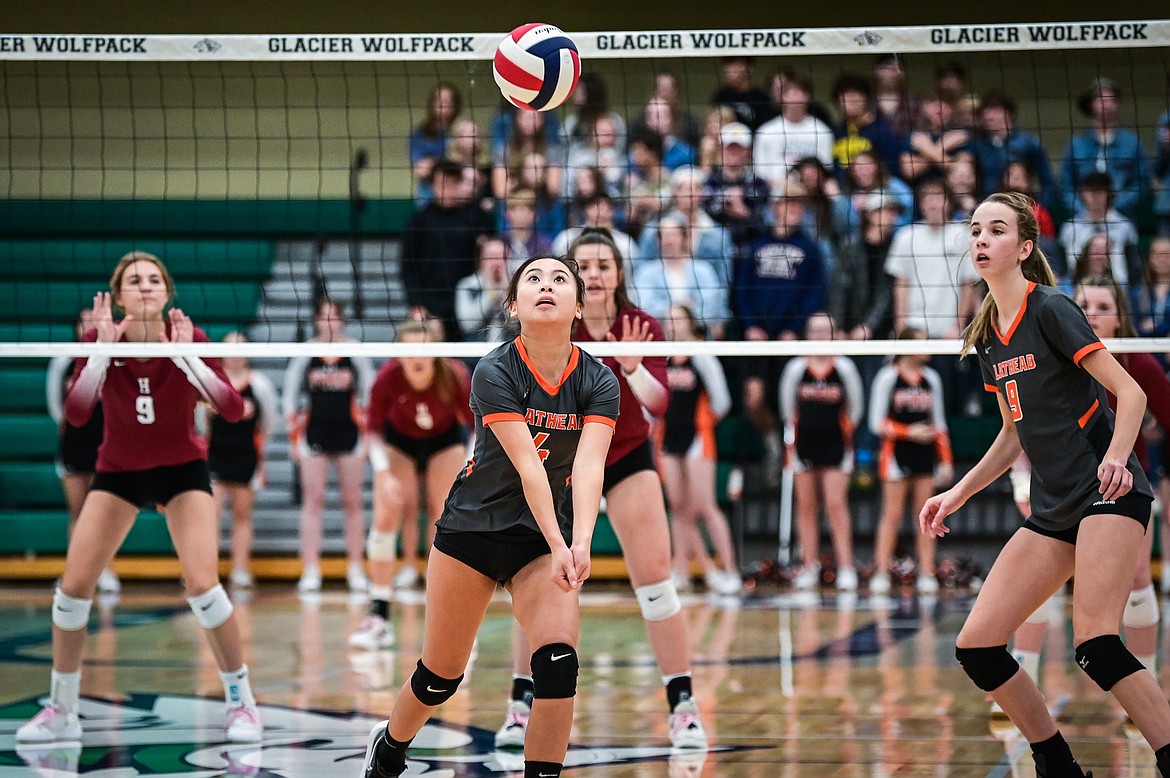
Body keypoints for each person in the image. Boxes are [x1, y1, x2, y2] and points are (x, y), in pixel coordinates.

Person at [920, 191, 1170, 777]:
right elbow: (1014, 434)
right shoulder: (986, 333)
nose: (981, 239)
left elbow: (1130, 394)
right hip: (1055, 506)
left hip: (1109, 493)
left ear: (1024, 248)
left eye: (996, 230)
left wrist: (1114, 458)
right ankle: (1058, 765)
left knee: (1096, 646)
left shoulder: (1052, 308)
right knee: (977, 647)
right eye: (976, 230)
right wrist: (957, 492)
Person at [360, 254, 620, 778]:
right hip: (472, 532)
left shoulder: (599, 379)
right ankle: (388, 751)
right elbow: (529, 466)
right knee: (440, 676)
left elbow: (590, 467)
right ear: (514, 304)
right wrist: (562, 538)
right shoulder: (495, 370)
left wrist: (581, 541)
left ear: (578, 303)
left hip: (541, 544)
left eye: (559, 279)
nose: (546, 286)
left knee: (557, 665)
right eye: (534, 278)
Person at [16, 251, 262, 745]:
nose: (145, 286)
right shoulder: (96, 342)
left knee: (204, 589)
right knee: (71, 594)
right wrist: (103, 354)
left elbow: (232, 410)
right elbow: (78, 414)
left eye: (154, 279)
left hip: (182, 471)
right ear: (118, 296)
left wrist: (188, 358)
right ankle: (62, 709)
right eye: (134, 281)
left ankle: (242, 704)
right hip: (119, 473)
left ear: (167, 292)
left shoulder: (192, 339)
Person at [494, 229, 709, 752]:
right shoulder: (548, 325)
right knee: (541, 582)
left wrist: (633, 368)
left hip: (626, 453)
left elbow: (659, 404)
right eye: (584, 265)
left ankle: (682, 705)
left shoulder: (642, 326)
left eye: (603, 265)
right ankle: (521, 705)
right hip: (562, 462)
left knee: (656, 582)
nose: (593, 273)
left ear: (618, 273)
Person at [997, 275, 1170, 718]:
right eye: (1085, 304)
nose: (1091, 312)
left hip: (1125, 485)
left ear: (1120, 317)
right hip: (1063, 486)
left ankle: (1143, 683)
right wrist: (1020, 482)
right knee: (1038, 581)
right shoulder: (1057, 351)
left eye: (1102, 306)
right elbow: (1021, 427)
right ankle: (1023, 671)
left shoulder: (1137, 362)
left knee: (1133, 577)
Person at [350, 320, 474, 651]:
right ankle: (378, 616)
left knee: (448, 520)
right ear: (399, 356)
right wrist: (383, 472)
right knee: (386, 516)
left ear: (435, 354)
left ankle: (453, 620)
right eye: (409, 350)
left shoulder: (455, 375)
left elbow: (479, 425)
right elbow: (372, 430)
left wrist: (471, 461)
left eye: (424, 349)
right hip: (399, 442)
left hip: (445, 442)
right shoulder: (387, 378)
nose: (417, 357)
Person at [282, 298, 375, 593]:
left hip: (350, 434)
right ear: (316, 321)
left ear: (342, 321)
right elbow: (289, 396)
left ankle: (356, 568)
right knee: (313, 502)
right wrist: (293, 438)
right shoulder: (306, 352)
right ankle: (310, 569)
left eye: (334, 316)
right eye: (324, 317)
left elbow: (370, 393)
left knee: (353, 503)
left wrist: (368, 436)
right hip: (315, 434)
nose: (329, 322)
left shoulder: (355, 351)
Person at [779, 312, 865, 591]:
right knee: (805, 507)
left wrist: (844, 430)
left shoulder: (844, 368)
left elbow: (856, 408)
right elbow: (787, 407)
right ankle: (809, 566)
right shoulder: (795, 369)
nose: (818, 335)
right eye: (814, 330)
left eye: (824, 330)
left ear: (834, 334)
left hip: (836, 445)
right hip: (804, 444)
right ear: (807, 334)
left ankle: (846, 567)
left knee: (835, 504)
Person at [660, 304, 740, 596]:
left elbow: (722, 400)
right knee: (677, 506)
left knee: (704, 505)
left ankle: (730, 570)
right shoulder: (662, 355)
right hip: (669, 437)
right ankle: (680, 568)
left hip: (697, 437)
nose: (671, 323)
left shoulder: (702, 356)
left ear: (690, 323)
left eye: (677, 317)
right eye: (668, 318)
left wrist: (705, 424)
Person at [870, 327, 954, 595]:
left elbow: (939, 423)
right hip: (896, 454)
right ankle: (881, 572)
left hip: (925, 454)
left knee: (928, 515)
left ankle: (926, 571)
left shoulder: (931, 378)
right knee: (891, 515)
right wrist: (908, 432)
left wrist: (946, 460)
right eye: (922, 342)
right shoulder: (888, 377)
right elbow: (875, 422)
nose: (928, 347)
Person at [46, 307, 119, 594]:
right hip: (75, 444)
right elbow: (56, 404)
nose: (89, 325)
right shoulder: (63, 360)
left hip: (106, 444)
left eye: (94, 320)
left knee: (105, 515)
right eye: (84, 321)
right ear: (76, 327)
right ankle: (73, 574)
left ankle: (107, 572)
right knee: (77, 513)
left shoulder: (113, 358)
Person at [206, 332, 279, 588]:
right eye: (230, 348)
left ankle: (240, 570)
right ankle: (207, 572)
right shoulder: (212, 383)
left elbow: (269, 422)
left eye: (240, 348)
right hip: (215, 456)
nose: (235, 354)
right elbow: (198, 421)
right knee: (209, 516)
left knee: (242, 516)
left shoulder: (260, 385)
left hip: (246, 456)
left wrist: (260, 447)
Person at [400, 158, 496, 340]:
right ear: (432, 185)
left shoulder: (477, 218)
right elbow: (408, 266)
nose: (446, 189)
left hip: (467, 303)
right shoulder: (419, 220)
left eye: (452, 184)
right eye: (441, 183)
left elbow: (488, 258)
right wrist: (416, 303)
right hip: (431, 303)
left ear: (460, 184)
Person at [1062, 77, 1149, 224]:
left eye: (1109, 98)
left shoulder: (1132, 143)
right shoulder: (1076, 144)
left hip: (1122, 220)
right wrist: (1084, 210)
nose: (1105, 103)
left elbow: (1141, 183)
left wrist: (1113, 208)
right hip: (1082, 220)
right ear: (1091, 104)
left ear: (1118, 103)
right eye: (1099, 98)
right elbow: (1066, 185)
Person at [631, 214, 729, 338]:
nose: (668, 240)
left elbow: (710, 306)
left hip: (699, 338)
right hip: (658, 339)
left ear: (684, 238)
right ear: (657, 241)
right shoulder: (646, 273)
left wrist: (679, 313)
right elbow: (644, 306)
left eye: (673, 235)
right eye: (663, 236)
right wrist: (681, 310)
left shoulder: (703, 270)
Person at [753, 71, 835, 191]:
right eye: (790, 93)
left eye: (799, 93)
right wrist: (783, 184)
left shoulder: (822, 131)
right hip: (776, 194)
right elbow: (760, 173)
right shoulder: (766, 132)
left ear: (808, 97)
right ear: (782, 97)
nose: (795, 97)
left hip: (813, 194)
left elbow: (827, 168)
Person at [972, 90, 1056, 204]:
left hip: (1020, 206)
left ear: (1009, 114)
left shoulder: (1029, 143)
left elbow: (1047, 181)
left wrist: (1040, 207)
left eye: (995, 110)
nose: (989, 116)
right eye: (985, 112)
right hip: (986, 206)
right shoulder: (977, 144)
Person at [1057, 171, 1141, 286]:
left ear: (1109, 194)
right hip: (1076, 288)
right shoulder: (1069, 228)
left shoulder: (1124, 226)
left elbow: (1134, 267)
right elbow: (1062, 268)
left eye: (1100, 191)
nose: (1095, 197)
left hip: (1118, 288)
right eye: (1090, 191)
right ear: (1082, 194)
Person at [409, 82, 462, 203]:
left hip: (458, 200)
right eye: (440, 100)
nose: (444, 104)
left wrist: (433, 163)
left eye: (449, 100)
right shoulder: (421, 134)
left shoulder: (462, 130)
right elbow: (420, 170)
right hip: (428, 199)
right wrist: (448, 162)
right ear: (432, 104)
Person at [456, 235, 514, 343]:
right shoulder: (467, 285)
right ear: (481, 260)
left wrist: (507, 289)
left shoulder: (520, 285)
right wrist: (490, 293)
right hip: (475, 354)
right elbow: (467, 325)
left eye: (502, 257)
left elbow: (516, 323)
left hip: (511, 353)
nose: (496, 263)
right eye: (491, 257)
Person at [710, 55, 774, 132]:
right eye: (728, 65)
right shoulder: (721, 95)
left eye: (734, 65)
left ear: (748, 68)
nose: (728, 70)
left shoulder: (761, 97)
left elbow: (766, 129)